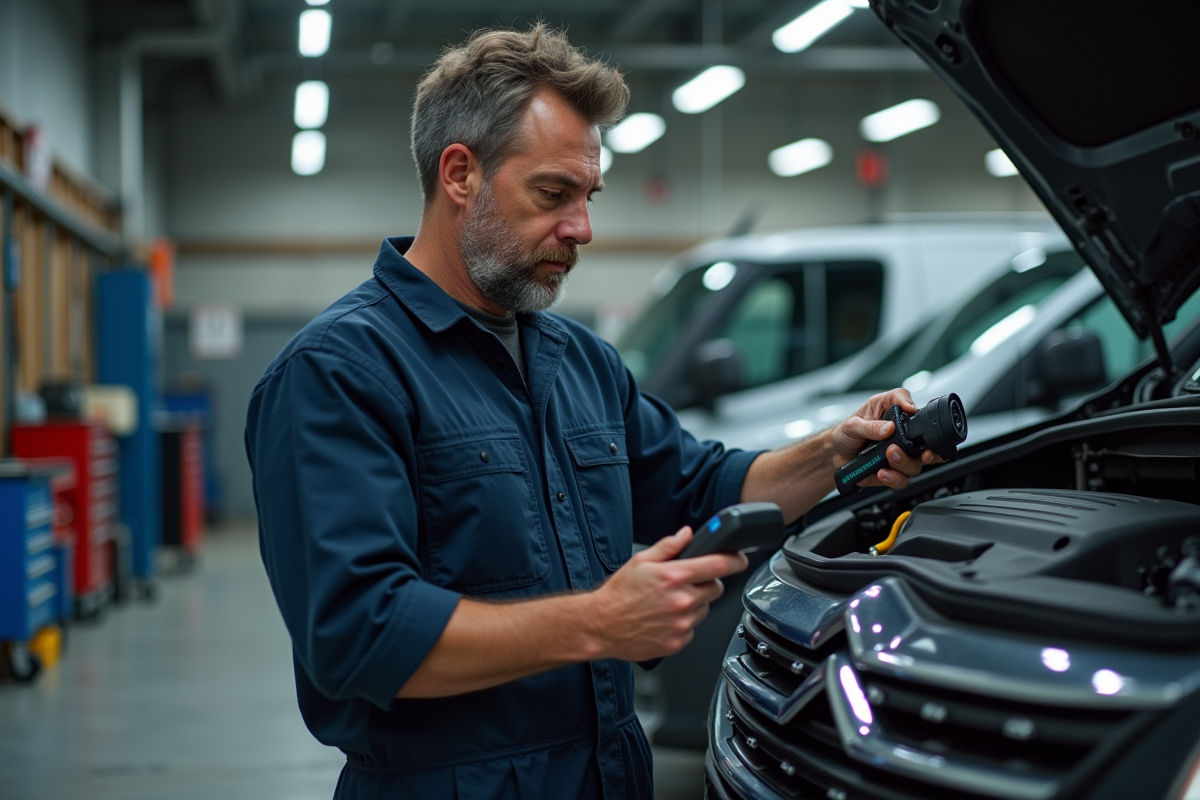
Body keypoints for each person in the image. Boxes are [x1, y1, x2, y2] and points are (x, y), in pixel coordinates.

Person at [245, 24, 936, 800]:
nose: (583, 228)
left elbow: (704, 484)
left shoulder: (578, 362)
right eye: (553, 194)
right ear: (460, 174)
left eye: (588, 196)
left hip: (606, 773)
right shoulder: (338, 372)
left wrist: (838, 452)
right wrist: (600, 623)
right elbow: (359, 634)